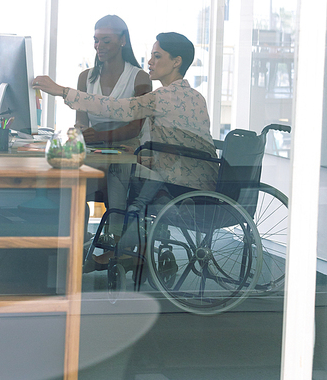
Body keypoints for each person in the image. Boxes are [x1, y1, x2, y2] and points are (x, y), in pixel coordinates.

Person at [33, 33, 219, 261]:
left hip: (182, 184)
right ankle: (121, 245)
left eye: (157, 56)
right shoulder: (195, 96)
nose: (150, 61)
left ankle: (118, 247)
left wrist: (62, 91)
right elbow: (182, 139)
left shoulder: (164, 96)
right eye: (151, 55)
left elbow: (117, 108)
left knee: (119, 173)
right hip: (199, 177)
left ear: (176, 62)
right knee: (123, 171)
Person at [77, 15, 151, 145]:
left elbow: (135, 128)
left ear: (122, 40)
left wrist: (98, 136)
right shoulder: (85, 77)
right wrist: (80, 131)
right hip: (95, 150)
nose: (98, 46)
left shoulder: (140, 78)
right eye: (96, 40)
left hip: (127, 152)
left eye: (106, 41)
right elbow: (81, 122)